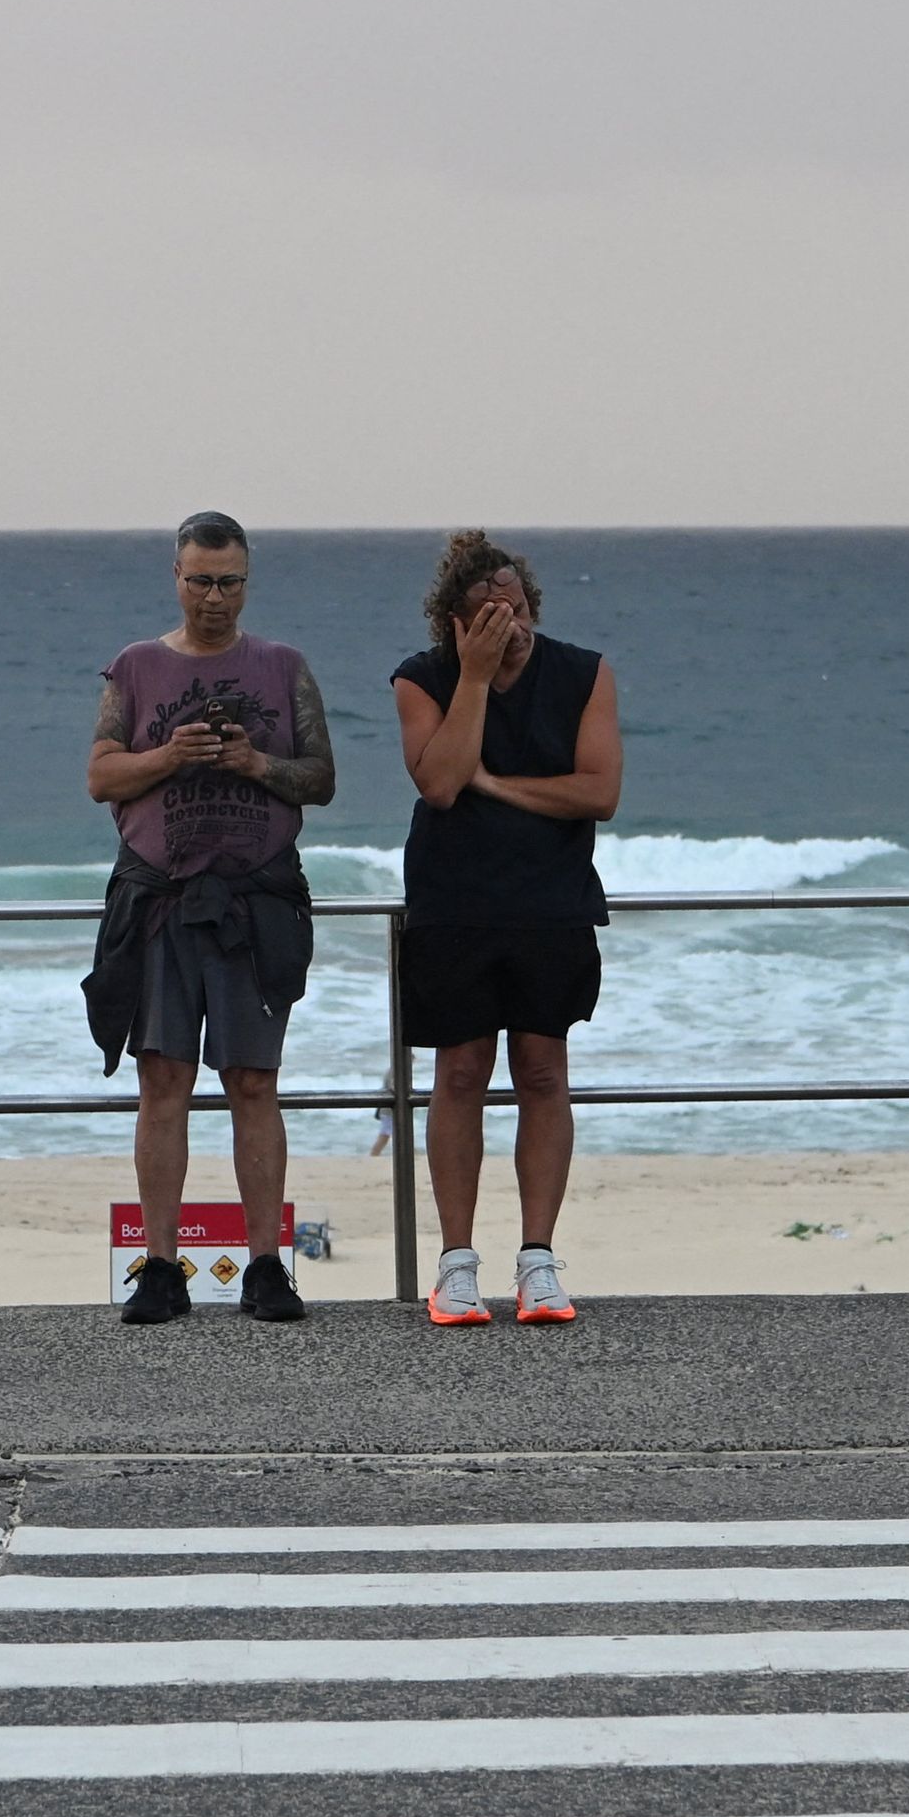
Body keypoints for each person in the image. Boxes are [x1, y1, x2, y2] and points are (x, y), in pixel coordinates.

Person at [82, 509, 334, 1325]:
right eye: (201, 580)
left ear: (246, 581)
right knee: (163, 1079)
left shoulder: (285, 666)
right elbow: (102, 776)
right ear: (177, 577)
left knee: (254, 1082)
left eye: (229, 581)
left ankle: (266, 1264)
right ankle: (161, 1265)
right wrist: (173, 756)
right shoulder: (134, 666)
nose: (215, 596)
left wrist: (253, 762)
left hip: (254, 900)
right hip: (160, 898)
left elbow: (320, 778)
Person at [391, 529, 622, 1325]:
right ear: (455, 623)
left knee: (542, 1070)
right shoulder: (423, 680)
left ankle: (538, 1261)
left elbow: (598, 793)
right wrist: (477, 680)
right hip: (454, 901)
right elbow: (446, 783)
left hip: (550, 900)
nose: (509, 626)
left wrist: (503, 782)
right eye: (489, 616)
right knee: (458, 1074)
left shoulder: (584, 673)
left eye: (517, 609)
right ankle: (456, 1263)